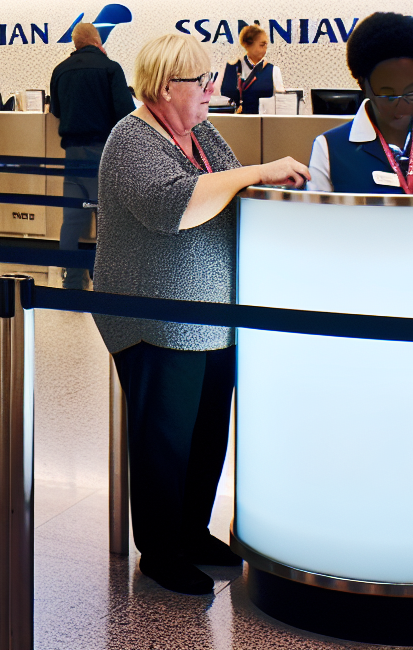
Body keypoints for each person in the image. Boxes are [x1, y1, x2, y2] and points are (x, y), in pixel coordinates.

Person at [91, 32, 308, 595]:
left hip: (214, 314)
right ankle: (161, 549)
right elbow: (175, 207)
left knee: (207, 430)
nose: (215, 89)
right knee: (165, 437)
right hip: (156, 314)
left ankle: (191, 530)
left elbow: (225, 189)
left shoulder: (202, 133)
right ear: (166, 86)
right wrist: (255, 172)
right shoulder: (131, 138)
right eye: (203, 81)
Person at [307, 12, 413, 195]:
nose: (402, 106)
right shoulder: (330, 149)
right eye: (388, 94)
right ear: (363, 85)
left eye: (411, 93)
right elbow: (318, 220)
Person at [49, 20, 134, 290]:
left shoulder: (60, 70)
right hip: (104, 152)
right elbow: (126, 113)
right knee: (107, 219)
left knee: (72, 221)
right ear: (99, 42)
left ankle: (72, 281)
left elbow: (57, 111)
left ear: (75, 44)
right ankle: (106, 281)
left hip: (73, 154)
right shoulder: (111, 68)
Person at [218, 24, 284, 114]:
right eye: (262, 45)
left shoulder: (273, 70)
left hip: (265, 124)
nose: (265, 49)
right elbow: (224, 98)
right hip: (236, 122)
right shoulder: (232, 67)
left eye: (266, 45)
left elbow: (280, 104)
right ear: (248, 45)